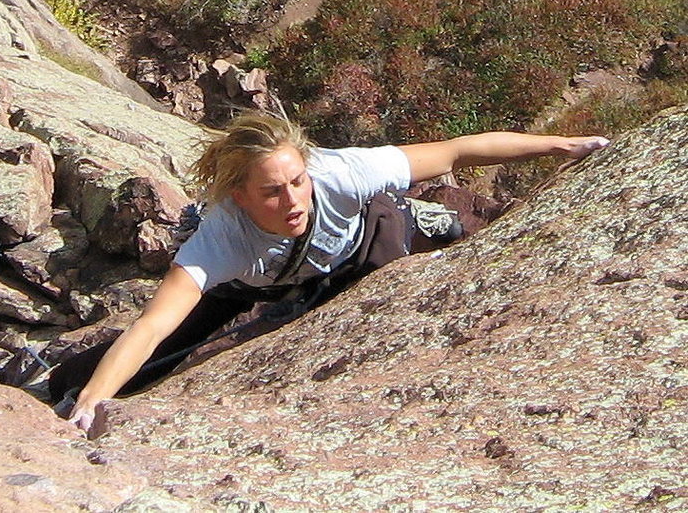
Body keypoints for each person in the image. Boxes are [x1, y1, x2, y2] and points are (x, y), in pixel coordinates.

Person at [51, 113, 609, 433]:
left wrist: (559, 145)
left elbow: (457, 152)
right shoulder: (221, 237)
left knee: (432, 244)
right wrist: (91, 402)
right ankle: (64, 387)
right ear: (238, 196)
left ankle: (437, 217)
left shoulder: (339, 174)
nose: (293, 199)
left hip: (366, 241)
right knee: (104, 373)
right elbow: (152, 326)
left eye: (297, 181)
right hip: (259, 280)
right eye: (272, 191)